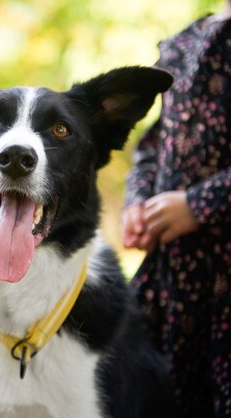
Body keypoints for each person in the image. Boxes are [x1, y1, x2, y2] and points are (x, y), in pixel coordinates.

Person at [122, 3, 231, 417]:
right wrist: (138, 202)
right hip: (174, 276)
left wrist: (198, 205)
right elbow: (152, 143)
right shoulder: (186, 40)